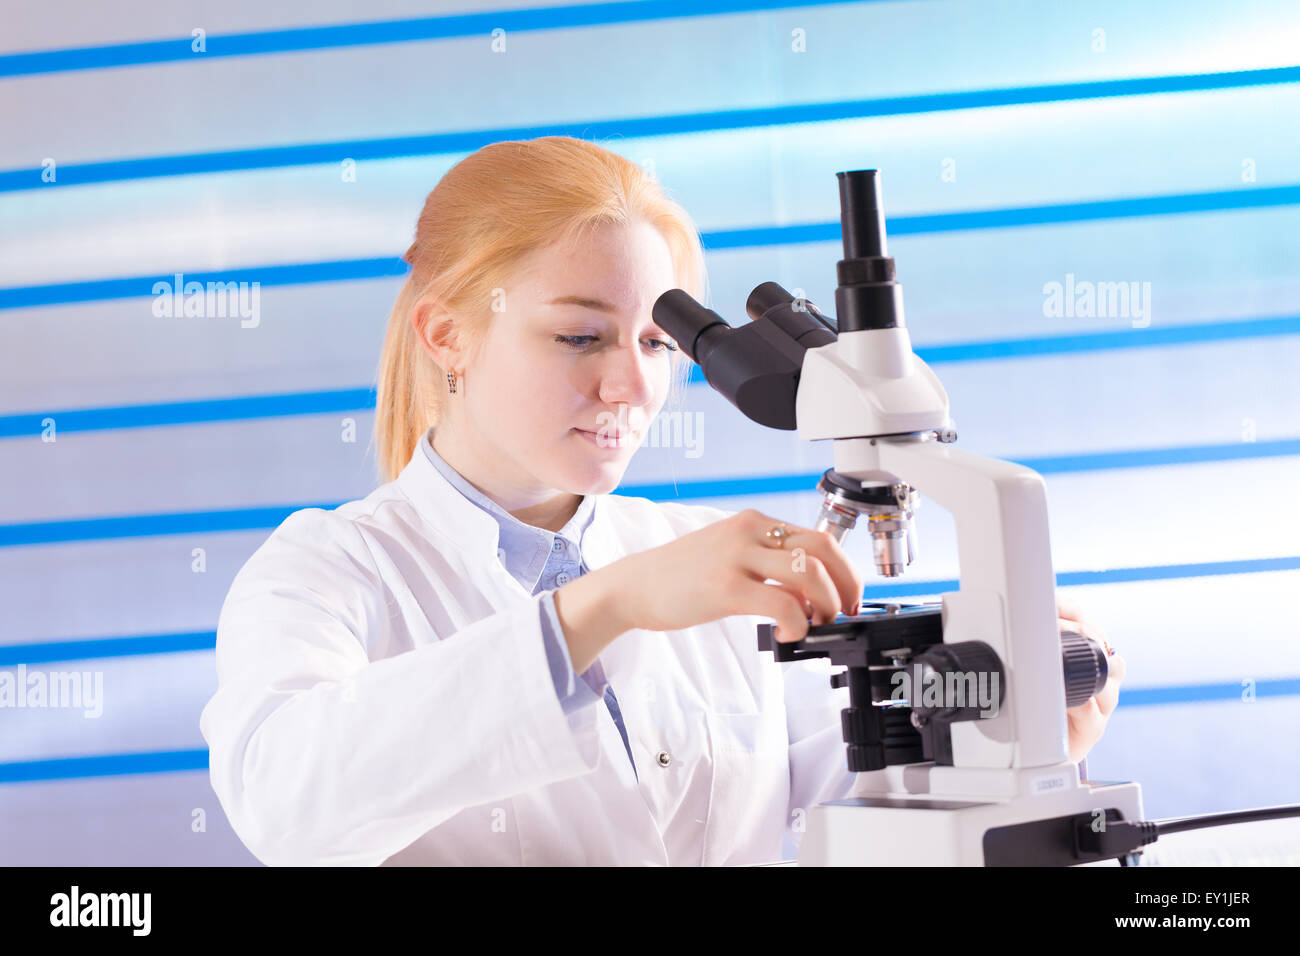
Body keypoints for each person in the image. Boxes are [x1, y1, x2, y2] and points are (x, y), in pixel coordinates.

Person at [199, 135, 1124, 866]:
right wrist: (603, 607)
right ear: (446, 331)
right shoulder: (333, 568)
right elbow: (286, 805)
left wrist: (1005, 733)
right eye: (578, 337)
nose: (630, 388)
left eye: (654, 344)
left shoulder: (707, 562)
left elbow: (845, 797)